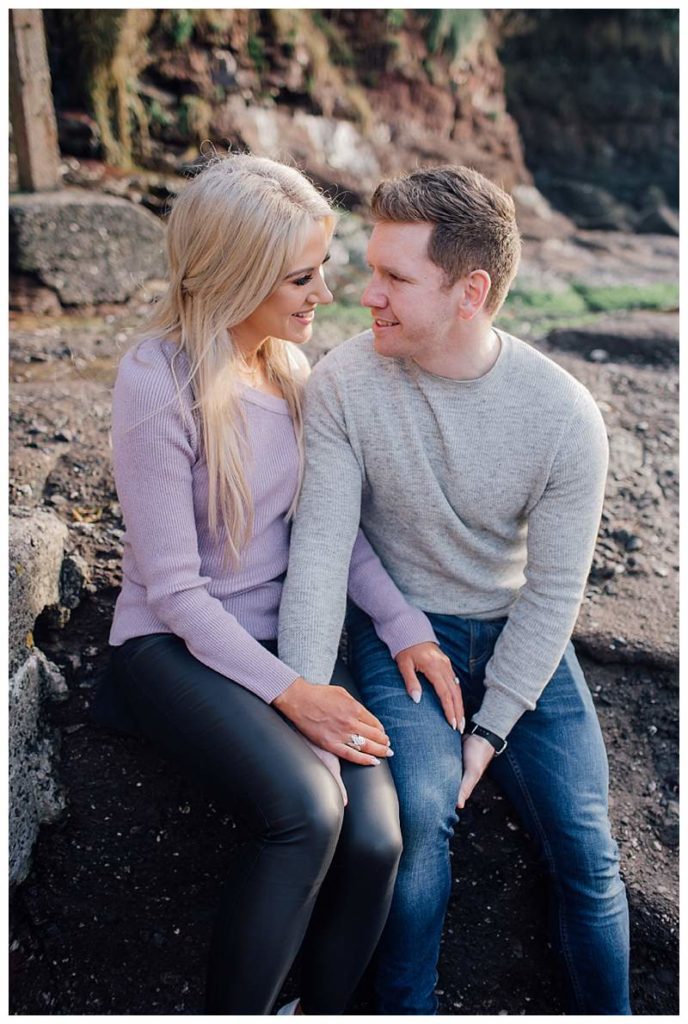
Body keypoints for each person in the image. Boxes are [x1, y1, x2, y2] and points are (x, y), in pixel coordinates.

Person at [101, 154, 457, 1015]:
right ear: (239, 272)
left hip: (279, 646)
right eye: (303, 275)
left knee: (376, 838)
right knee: (309, 811)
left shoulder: (297, 376)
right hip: (169, 648)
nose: (326, 293)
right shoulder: (158, 380)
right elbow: (178, 593)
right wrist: (296, 694)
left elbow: (330, 539)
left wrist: (406, 625)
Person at [278, 165, 631, 1015]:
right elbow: (322, 552)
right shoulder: (343, 384)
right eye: (374, 270)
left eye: (396, 278)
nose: (367, 296)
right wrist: (306, 705)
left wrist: (494, 726)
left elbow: (553, 596)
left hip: (516, 631)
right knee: (425, 811)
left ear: (470, 292)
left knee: (588, 851)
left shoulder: (563, 417)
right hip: (401, 630)